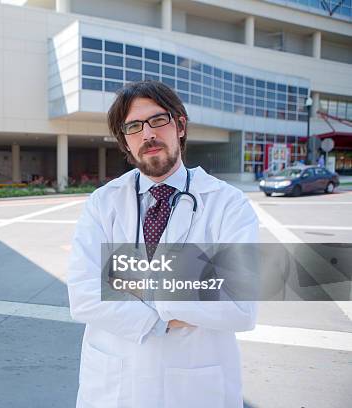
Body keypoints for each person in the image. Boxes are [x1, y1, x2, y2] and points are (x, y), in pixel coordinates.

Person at [67, 80, 259, 408]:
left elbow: (241, 307)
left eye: (158, 120)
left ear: (180, 125)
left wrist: (129, 284)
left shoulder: (228, 204)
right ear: (125, 141)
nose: (147, 134)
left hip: (194, 387)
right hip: (114, 385)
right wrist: (170, 308)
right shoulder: (103, 203)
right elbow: (83, 296)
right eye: (133, 126)